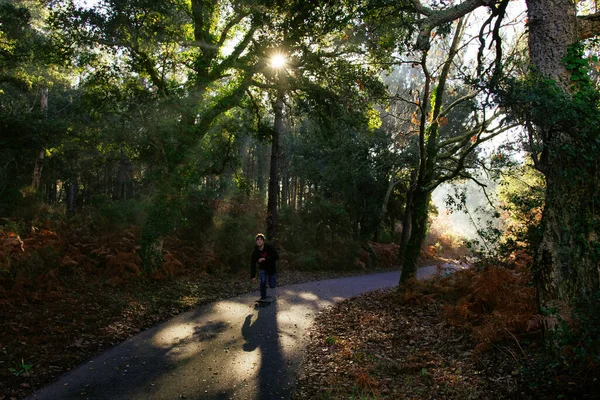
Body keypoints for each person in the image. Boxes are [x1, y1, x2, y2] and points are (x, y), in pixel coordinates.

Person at [250, 233, 279, 300]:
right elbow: (252, 264)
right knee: (263, 281)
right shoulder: (255, 252)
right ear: (256, 242)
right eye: (257, 240)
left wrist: (265, 259)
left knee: (272, 285)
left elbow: (276, 257)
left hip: (271, 269)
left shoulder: (269, 248)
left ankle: (272, 282)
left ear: (263, 241)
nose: (259, 241)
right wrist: (253, 276)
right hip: (262, 269)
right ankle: (263, 297)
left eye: (261, 239)